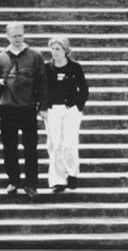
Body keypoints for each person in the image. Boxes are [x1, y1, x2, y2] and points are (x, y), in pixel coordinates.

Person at [0, 22, 47, 198]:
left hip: (28, 108)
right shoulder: (0, 58)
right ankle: (13, 180)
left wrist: (43, 106)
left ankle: (31, 184)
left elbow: (43, 83)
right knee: (9, 148)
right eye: (14, 36)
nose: (18, 39)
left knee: (31, 148)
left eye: (20, 35)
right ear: (7, 37)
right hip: (7, 109)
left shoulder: (35, 56)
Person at [43, 35, 88, 193]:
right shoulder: (47, 68)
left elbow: (83, 89)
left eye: (58, 49)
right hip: (53, 110)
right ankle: (58, 180)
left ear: (65, 50)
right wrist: (43, 107)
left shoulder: (75, 67)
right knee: (55, 145)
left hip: (71, 110)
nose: (55, 52)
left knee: (69, 143)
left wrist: (78, 106)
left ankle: (72, 173)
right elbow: (41, 89)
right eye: (53, 49)